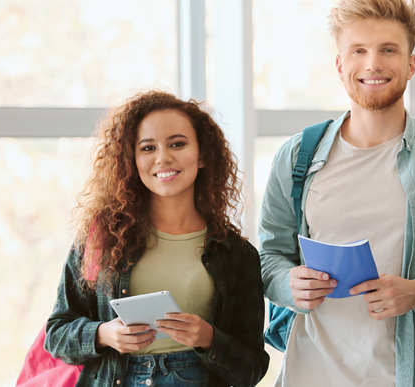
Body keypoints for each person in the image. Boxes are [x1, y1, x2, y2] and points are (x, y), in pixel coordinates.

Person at [256, 0, 415, 385]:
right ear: (340, 66)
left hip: (411, 375)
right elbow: (271, 256)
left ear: (411, 64)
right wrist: (289, 285)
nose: (373, 64)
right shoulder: (297, 157)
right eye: (358, 50)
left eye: (388, 50)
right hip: (309, 374)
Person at [45, 90, 268, 387]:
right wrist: (104, 335)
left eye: (177, 144)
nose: (163, 158)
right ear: (131, 160)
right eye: (148, 148)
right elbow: (57, 335)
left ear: (202, 155)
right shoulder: (102, 239)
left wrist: (208, 339)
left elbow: (251, 369)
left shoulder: (236, 254)